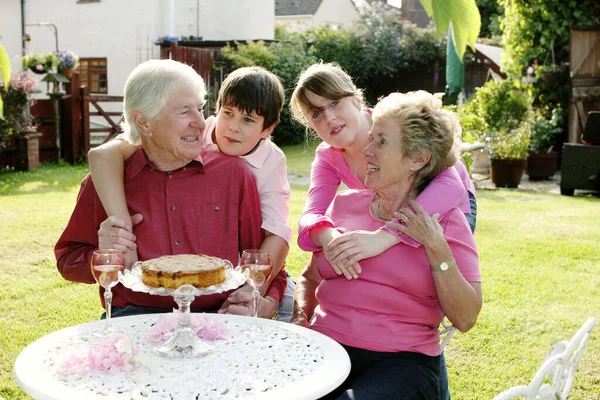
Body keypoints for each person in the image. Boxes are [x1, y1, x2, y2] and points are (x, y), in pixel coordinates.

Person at [288, 62, 477, 399]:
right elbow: (310, 237)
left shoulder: (442, 212)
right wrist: (328, 238)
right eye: (316, 113)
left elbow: (464, 316)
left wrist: (399, 239)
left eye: (334, 104)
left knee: (430, 286)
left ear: (357, 99)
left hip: (402, 355)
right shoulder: (339, 187)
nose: (367, 152)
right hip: (329, 347)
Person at [55, 60, 286, 318]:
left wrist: (270, 302)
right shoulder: (107, 182)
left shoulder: (235, 174)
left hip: (218, 317)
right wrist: (106, 253)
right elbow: (68, 261)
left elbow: (262, 260)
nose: (201, 123)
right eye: (185, 111)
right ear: (144, 123)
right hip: (134, 318)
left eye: (200, 109)